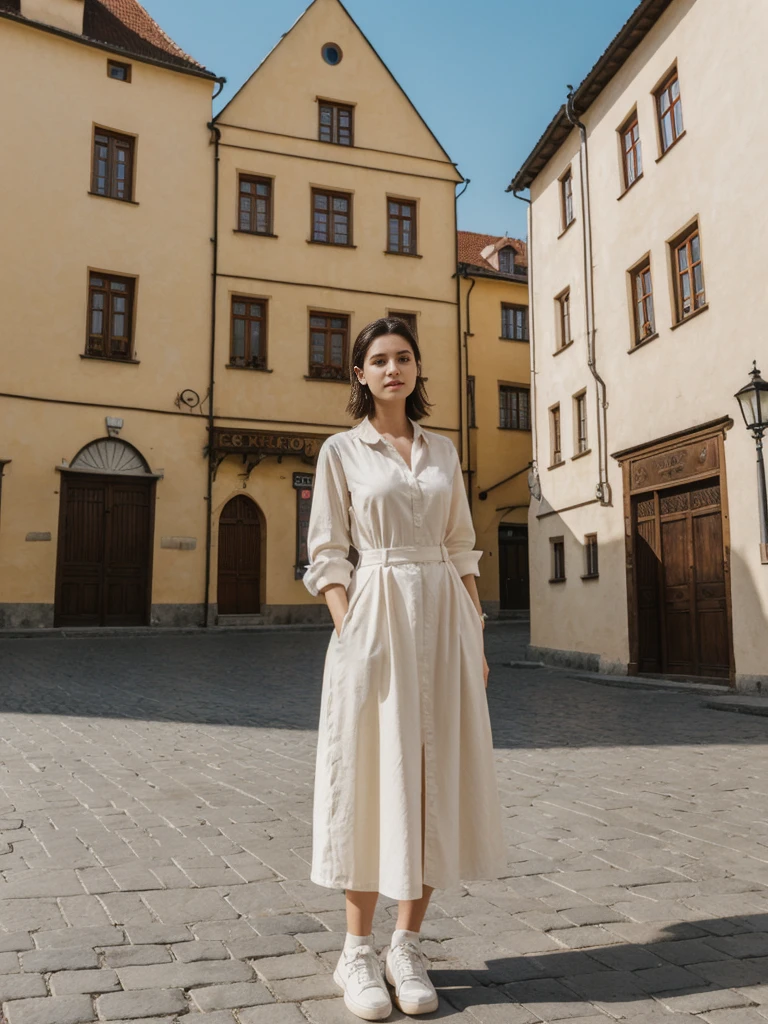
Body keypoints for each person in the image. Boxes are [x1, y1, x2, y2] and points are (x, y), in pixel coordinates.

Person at [303, 317, 506, 1021]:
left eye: (405, 358)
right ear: (359, 374)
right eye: (379, 360)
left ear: (418, 371)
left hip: (446, 617)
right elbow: (328, 552)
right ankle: (356, 950)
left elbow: (462, 547)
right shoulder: (341, 451)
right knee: (372, 775)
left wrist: (474, 635)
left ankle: (407, 943)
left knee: (433, 777)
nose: (394, 369)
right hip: (377, 615)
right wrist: (350, 625)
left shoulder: (444, 451)